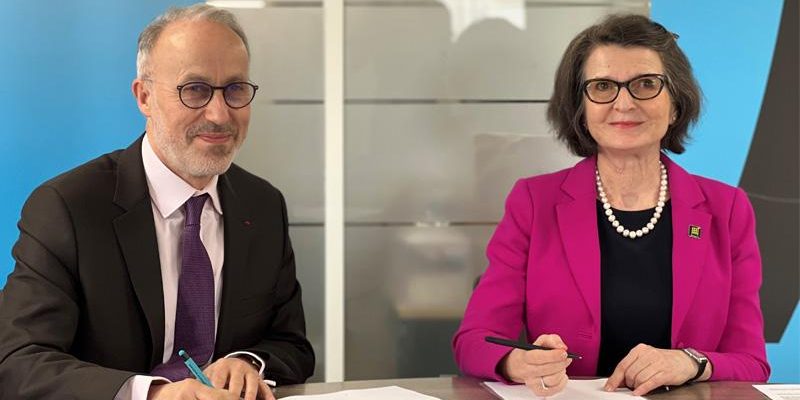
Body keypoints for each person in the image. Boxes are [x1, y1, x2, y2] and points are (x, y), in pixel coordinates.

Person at [0, 5, 314, 400]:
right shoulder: (67, 208)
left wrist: (248, 362)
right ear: (144, 96)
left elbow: (292, 345)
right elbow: (17, 361)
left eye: (235, 89)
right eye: (195, 89)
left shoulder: (263, 205)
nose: (219, 114)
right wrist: (153, 395)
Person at [452, 14, 769, 397]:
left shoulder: (727, 209)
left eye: (646, 84)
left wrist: (690, 361)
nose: (624, 102)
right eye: (602, 86)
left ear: (675, 105)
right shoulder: (534, 202)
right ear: (581, 109)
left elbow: (751, 361)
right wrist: (518, 363)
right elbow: (475, 341)